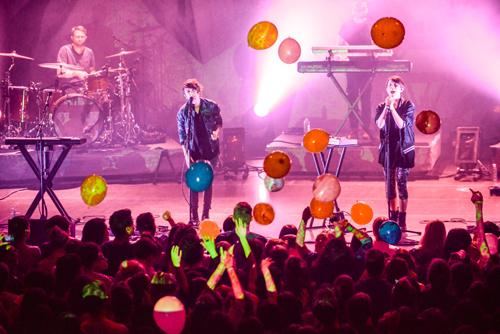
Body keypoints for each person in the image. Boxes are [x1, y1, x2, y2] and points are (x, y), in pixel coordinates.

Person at [177, 78, 222, 224]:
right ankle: (194, 215)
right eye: (186, 93)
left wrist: (216, 132)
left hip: (210, 149)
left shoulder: (211, 106)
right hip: (194, 151)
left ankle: (205, 214)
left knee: (207, 181)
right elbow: (182, 137)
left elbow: (219, 121)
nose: (188, 95)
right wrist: (186, 156)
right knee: (194, 183)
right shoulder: (183, 112)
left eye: (190, 92)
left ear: (197, 91)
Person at [375, 76, 415, 231]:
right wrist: (386, 107)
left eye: (395, 85)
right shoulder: (381, 106)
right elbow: (380, 124)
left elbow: (401, 125)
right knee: (390, 185)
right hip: (388, 149)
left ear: (401, 88)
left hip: (404, 149)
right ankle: (393, 216)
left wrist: (393, 108)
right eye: (389, 85)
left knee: (401, 182)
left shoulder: (408, 105)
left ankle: (403, 217)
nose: (392, 87)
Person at [338, 0, 373, 139]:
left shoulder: (372, 26)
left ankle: (366, 129)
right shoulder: (346, 26)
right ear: (353, 9)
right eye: (357, 7)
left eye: (362, 7)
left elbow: (376, 45)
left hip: (367, 65)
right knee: (352, 96)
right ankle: (353, 129)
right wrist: (342, 56)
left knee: (366, 97)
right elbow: (339, 45)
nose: (359, 9)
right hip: (351, 64)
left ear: (366, 9)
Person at [56, 25, 96, 93]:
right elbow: (60, 73)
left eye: (82, 37)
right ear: (72, 38)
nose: (80, 39)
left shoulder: (89, 52)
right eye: (77, 37)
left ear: (86, 38)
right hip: (68, 86)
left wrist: (91, 75)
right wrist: (77, 73)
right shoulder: (64, 50)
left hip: (84, 86)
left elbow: (92, 70)